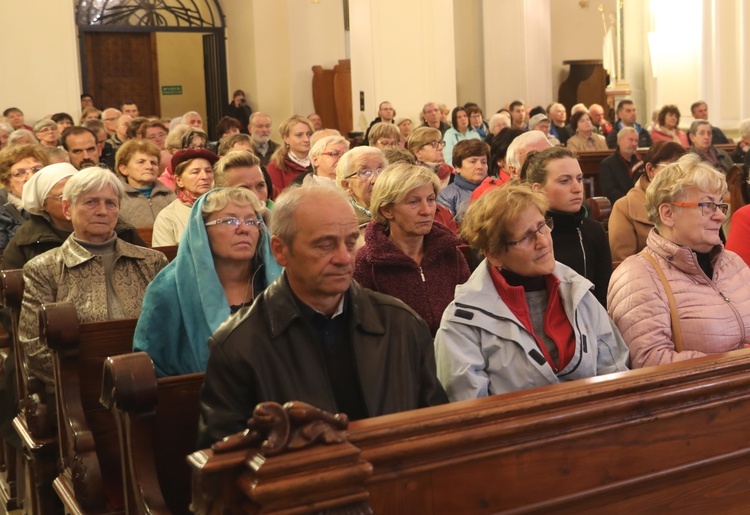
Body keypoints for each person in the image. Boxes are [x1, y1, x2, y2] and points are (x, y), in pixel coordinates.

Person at [197, 184, 448, 447]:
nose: (344, 258)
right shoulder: (238, 345)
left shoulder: (402, 324)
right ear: (280, 250)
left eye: (350, 242)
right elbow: (223, 463)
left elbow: (438, 430)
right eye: (325, 245)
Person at [434, 184, 629, 402]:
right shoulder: (462, 321)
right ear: (495, 254)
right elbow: (471, 411)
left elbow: (615, 372)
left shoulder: (577, 291)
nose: (543, 241)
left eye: (542, 226)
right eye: (526, 237)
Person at [18, 167, 167, 390]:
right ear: (68, 208)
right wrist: (99, 383)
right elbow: (35, 348)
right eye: (90, 202)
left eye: (110, 203)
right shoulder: (44, 269)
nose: (102, 211)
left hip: (151, 382)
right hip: (78, 391)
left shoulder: (151, 261)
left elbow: (172, 327)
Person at [608, 154, 750, 368]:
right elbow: (651, 362)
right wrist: (737, 362)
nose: (720, 216)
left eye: (720, 205)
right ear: (668, 213)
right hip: (701, 399)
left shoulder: (733, 264)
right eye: (707, 205)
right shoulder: (638, 275)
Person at [134, 187, 281, 377]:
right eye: (230, 220)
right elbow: (150, 365)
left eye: (252, 221)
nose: (244, 229)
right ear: (202, 230)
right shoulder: (167, 290)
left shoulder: (278, 281)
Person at [354, 163, 469, 335]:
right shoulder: (368, 263)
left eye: (430, 199)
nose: (427, 211)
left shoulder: (449, 251)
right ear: (386, 210)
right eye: (414, 202)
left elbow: (469, 310)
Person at [2, 163, 146, 269]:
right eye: (63, 196)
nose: (72, 201)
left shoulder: (121, 230)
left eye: (79, 196)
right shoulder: (27, 242)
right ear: (44, 204)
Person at [524, 146, 612, 307]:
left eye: (579, 179)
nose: (577, 188)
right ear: (538, 190)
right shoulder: (526, 236)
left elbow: (603, 297)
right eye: (565, 181)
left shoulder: (593, 231)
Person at [608, 141, 686, 262]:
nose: (680, 176)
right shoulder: (625, 207)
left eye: (685, 170)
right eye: (673, 168)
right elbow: (623, 264)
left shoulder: (691, 204)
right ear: (650, 170)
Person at [152, 149, 217, 246]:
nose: (205, 176)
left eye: (208, 171)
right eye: (195, 172)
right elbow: (166, 258)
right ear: (179, 181)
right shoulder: (168, 217)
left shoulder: (224, 207)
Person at [115, 139, 176, 227]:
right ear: (124, 169)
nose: (149, 166)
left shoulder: (170, 195)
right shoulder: (116, 197)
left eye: (153, 163)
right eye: (141, 162)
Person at [336, 146, 388, 248]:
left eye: (380, 170)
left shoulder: (402, 211)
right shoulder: (341, 222)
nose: (376, 180)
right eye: (365, 172)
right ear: (346, 185)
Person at [0, 144, 48, 254]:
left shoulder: (59, 204)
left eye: (37, 170)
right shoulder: (2, 213)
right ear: (7, 182)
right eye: (19, 173)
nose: (31, 177)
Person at [437, 139, 490, 222]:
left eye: (483, 162)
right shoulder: (446, 195)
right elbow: (446, 229)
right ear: (457, 167)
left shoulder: (497, 188)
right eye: (473, 162)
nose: (480, 166)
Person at [214, 150, 275, 214]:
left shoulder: (279, 221)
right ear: (219, 194)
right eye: (244, 189)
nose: (255, 196)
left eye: (260, 186)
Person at [266, 115, 314, 196]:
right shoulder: (275, 167)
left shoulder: (320, 162)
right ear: (286, 138)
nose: (306, 139)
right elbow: (278, 200)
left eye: (309, 134)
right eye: (299, 135)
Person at [599, 127, 642, 204]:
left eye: (636, 141)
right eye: (631, 140)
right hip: (620, 206)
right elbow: (609, 191)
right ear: (619, 141)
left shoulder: (641, 162)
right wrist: (629, 201)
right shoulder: (607, 164)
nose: (634, 144)